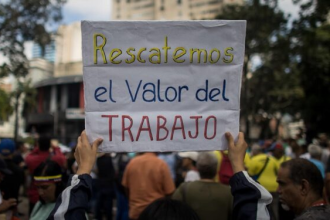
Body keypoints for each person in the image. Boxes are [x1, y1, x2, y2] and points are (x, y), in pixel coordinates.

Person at [225, 132, 273, 220]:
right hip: (270, 188)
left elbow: (250, 172)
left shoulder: (254, 160)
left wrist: (237, 164)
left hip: (258, 190)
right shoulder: (271, 158)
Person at [172, 152, 233, 220]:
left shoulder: (184, 188)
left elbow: (173, 210)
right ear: (216, 170)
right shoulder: (228, 192)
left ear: (198, 168)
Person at [122, 152, 175, 220]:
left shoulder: (132, 163)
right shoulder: (161, 164)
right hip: (156, 213)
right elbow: (170, 191)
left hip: (136, 212)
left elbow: (126, 187)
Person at [25, 136, 66, 213]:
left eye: (45, 187)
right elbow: (62, 157)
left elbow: (28, 156)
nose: (41, 192)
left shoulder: (31, 159)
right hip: (53, 198)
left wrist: (37, 148)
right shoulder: (56, 158)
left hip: (33, 197)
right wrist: (55, 147)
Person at [246, 142, 279, 219]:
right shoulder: (273, 159)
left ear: (254, 152)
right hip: (274, 187)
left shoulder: (254, 160)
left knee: (262, 210)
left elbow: (249, 175)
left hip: (261, 188)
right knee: (274, 210)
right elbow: (278, 171)